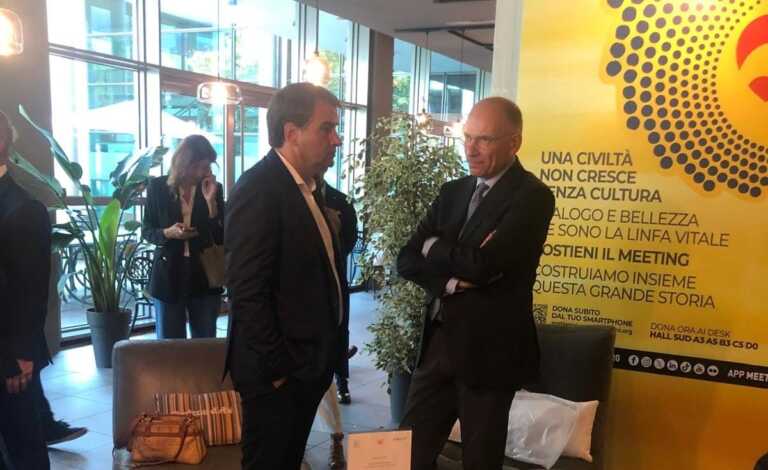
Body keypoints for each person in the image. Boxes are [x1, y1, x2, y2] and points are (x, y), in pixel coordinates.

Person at [396, 97, 555, 470]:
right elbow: (407, 258)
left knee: (480, 461)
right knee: (407, 455)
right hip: (438, 345)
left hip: (489, 355)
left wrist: (435, 246)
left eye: (484, 139)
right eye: (467, 137)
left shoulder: (532, 197)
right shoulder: (452, 192)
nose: (471, 149)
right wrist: (452, 280)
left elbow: (484, 266)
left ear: (514, 143)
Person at [224, 82, 345, 470]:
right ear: (292, 133)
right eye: (326, 128)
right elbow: (247, 291)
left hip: (305, 367)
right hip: (277, 376)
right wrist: (280, 370)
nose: (337, 139)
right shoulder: (260, 188)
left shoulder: (307, 188)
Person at [0, 110, 52, 469]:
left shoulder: (23, 209)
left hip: (9, 358)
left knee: (25, 450)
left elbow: (30, 292)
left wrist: (19, 355)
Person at [142, 135, 225, 339]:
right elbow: (147, 231)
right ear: (184, 163)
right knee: (169, 345)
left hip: (204, 271)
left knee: (204, 341)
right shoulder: (158, 188)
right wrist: (168, 233)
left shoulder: (213, 188)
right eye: (199, 166)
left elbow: (221, 236)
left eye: (208, 166)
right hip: (169, 272)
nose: (204, 172)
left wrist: (211, 204)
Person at [314, 173, 358, 405]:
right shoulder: (294, 197)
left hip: (336, 277)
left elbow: (351, 238)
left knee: (340, 330)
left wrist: (334, 235)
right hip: (307, 280)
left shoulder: (341, 200)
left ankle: (342, 382)